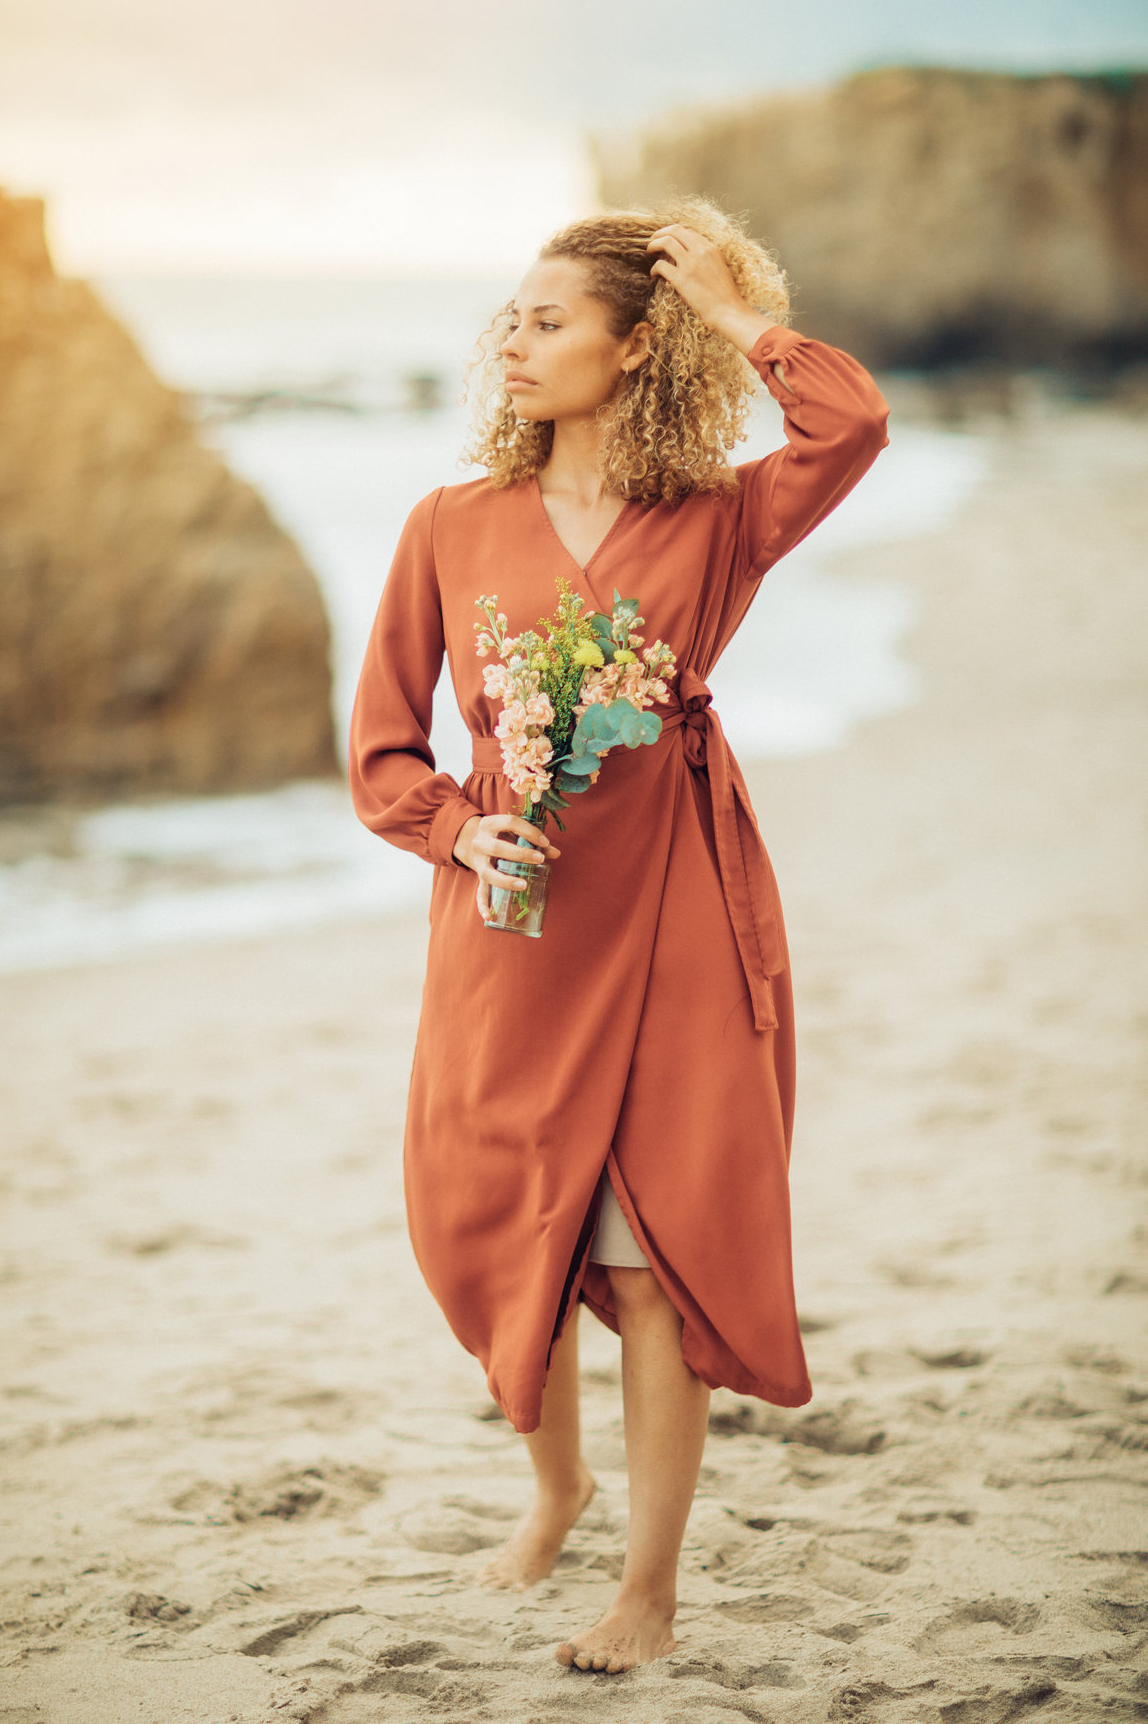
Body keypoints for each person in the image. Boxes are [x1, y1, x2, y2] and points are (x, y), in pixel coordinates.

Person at [348, 200, 889, 1674]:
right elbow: (384, 749)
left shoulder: (717, 515)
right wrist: (461, 828)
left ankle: (648, 1590)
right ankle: (557, 1491)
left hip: (675, 918)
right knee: (512, 1224)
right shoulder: (449, 526)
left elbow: (849, 425)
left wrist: (737, 314)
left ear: (633, 347)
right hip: (515, 928)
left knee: (654, 1254)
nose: (511, 343)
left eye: (547, 321)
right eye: (507, 321)